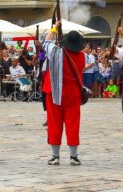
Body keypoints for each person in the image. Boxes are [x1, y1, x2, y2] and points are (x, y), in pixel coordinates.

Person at [43, 20, 85, 166]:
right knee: (73, 125)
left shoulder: (55, 52)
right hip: (72, 94)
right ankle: (74, 156)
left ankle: (55, 156)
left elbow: (47, 41)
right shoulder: (81, 57)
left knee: (54, 124)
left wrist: (55, 28)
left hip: (54, 93)